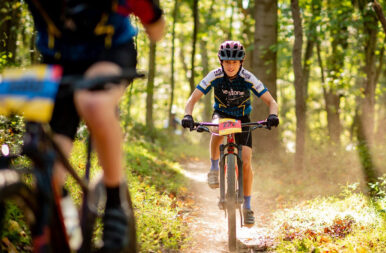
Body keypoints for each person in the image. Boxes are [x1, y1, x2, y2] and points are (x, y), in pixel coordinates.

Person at [24, 0, 165, 251]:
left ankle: (114, 204)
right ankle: (66, 223)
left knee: (95, 104)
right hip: (56, 62)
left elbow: (156, 29)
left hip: (108, 53)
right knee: (48, 175)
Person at [182, 41, 279, 227]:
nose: (231, 66)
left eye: (234, 62)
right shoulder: (215, 76)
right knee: (217, 127)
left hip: (243, 118)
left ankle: (248, 207)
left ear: (241, 61)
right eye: (227, 62)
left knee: (247, 161)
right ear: (221, 61)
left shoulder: (248, 77)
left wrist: (273, 115)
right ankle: (214, 168)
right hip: (222, 115)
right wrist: (188, 114)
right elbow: (192, 99)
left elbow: (271, 101)